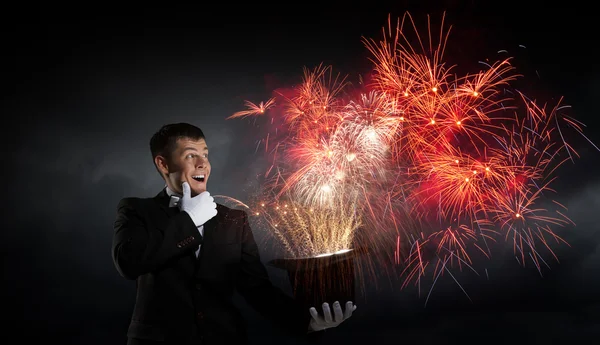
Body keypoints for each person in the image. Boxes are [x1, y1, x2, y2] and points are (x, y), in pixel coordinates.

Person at [112, 123, 357, 344]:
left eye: (205, 155)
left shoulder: (233, 220)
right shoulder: (136, 209)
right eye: (190, 155)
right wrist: (190, 220)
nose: (202, 164)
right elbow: (128, 263)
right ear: (163, 164)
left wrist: (309, 322)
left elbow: (257, 290)